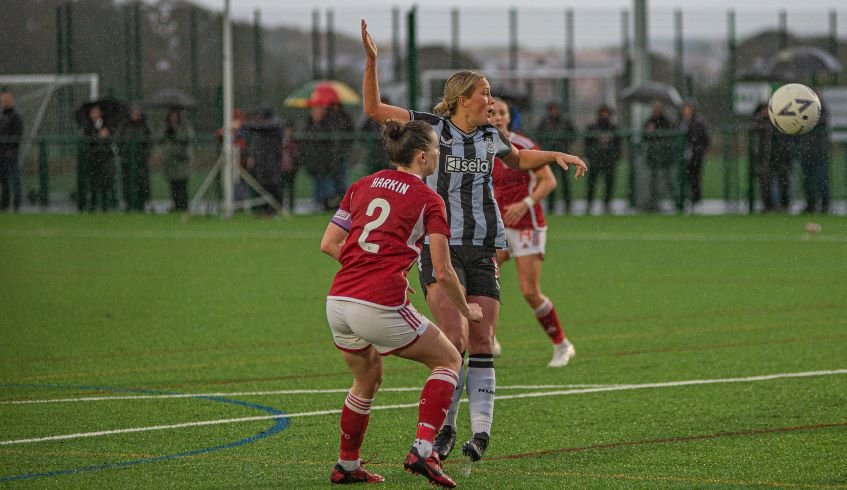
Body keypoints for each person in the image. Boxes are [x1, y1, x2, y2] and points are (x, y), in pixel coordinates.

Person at [361, 19, 587, 464]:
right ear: (464, 99)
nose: (492, 100)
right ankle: (443, 431)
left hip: (484, 248)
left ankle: (480, 433)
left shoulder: (489, 136)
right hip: (441, 248)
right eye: (485, 93)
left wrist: (556, 155)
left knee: (482, 343)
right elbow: (373, 108)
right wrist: (371, 60)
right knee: (452, 342)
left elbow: (519, 158)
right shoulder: (430, 129)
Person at [320, 119, 483, 488]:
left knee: (367, 378)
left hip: (339, 301)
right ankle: (424, 449)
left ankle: (346, 465)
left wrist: (368, 269)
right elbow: (442, 271)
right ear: (422, 156)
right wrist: (466, 309)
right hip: (377, 304)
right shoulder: (429, 199)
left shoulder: (362, 185)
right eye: (437, 149)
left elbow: (329, 243)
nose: (440, 154)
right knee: (449, 360)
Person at [490, 98, 576, 368]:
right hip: (498, 226)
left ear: (509, 117)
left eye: (502, 112)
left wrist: (524, 204)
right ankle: (488, 338)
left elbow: (548, 181)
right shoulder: (481, 146)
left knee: (529, 291)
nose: (498, 117)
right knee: (482, 281)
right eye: (492, 113)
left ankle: (562, 344)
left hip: (527, 223)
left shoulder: (524, 146)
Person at [535, 102, 577, 214]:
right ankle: (551, 205)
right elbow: (538, 134)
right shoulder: (545, 122)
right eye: (551, 109)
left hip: (563, 155)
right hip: (550, 156)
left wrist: (565, 146)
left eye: (555, 109)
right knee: (550, 180)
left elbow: (573, 134)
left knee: (565, 181)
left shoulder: (564, 121)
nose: (553, 111)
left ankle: (568, 205)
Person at [243, 106, 283, 217]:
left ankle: (274, 209)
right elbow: (255, 142)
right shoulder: (262, 127)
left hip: (271, 160)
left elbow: (262, 127)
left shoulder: (273, 123)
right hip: (262, 160)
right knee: (263, 185)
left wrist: (243, 124)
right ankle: (266, 209)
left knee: (273, 184)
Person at [583, 104, 622, 215]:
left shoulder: (614, 128)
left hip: (609, 159)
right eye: (602, 112)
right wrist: (589, 156)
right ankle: (589, 204)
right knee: (592, 182)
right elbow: (587, 143)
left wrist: (615, 156)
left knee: (609, 182)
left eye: (606, 112)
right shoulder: (592, 127)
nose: (604, 115)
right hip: (596, 159)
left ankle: (607, 203)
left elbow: (618, 144)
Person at [795, 95, 830, 214]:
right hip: (806, 151)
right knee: (807, 179)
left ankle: (824, 205)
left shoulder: (820, 112)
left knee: (821, 179)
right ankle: (811, 204)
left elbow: (820, 121)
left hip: (818, 151)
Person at [642, 100, 676, 212]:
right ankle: (653, 202)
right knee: (653, 181)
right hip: (653, 156)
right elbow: (644, 137)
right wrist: (649, 132)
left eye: (657, 108)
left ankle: (675, 201)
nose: (655, 110)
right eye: (654, 108)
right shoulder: (649, 121)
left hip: (664, 156)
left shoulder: (666, 121)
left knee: (668, 179)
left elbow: (670, 136)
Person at [118, 105, 152, 212]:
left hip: (141, 161)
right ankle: (128, 204)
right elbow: (120, 142)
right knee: (127, 183)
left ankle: (142, 204)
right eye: (133, 112)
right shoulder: (125, 126)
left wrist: (144, 154)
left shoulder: (144, 126)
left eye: (137, 112)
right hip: (128, 161)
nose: (135, 115)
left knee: (142, 183)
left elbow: (149, 143)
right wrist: (124, 154)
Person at [83, 104, 116, 212]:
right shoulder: (87, 126)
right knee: (93, 183)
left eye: (96, 112)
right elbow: (86, 141)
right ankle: (92, 206)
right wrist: (97, 137)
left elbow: (113, 141)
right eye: (92, 112)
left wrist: (107, 135)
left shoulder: (107, 125)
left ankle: (105, 207)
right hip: (93, 158)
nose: (94, 114)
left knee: (106, 182)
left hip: (105, 158)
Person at [161, 107, 194, 212]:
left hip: (181, 160)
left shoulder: (185, 126)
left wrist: (176, 132)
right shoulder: (166, 126)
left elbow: (188, 137)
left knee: (182, 185)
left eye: (175, 115)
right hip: (170, 161)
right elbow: (160, 138)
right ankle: (175, 205)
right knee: (173, 185)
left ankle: (183, 206)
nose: (173, 118)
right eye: (172, 115)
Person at [679, 102, 710, 211]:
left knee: (695, 177)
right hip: (683, 155)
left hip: (695, 155)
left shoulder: (698, 123)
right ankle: (684, 199)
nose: (686, 112)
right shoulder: (680, 122)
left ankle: (696, 199)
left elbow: (705, 139)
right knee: (684, 178)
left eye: (689, 109)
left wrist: (698, 150)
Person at [0, 90, 23, 212]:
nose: (5, 101)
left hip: (11, 154)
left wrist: (11, 149)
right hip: (1, 154)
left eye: (7, 99)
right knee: (4, 181)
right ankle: (4, 204)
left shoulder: (16, 117)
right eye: (3, 99)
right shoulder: (2, 116)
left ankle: (16, 205)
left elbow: (17, 135)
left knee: (15, 180)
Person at [748, 103, 774, 212]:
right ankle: (764, 205)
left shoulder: (774, 122)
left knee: (772, 182)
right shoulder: (757, 122)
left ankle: (773, 205)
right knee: (763, 182)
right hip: (760, 158)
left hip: (773, 158)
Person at [280, 120, 299, 213]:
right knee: (282, 187)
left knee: (290, 187)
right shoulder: (281, 139)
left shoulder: (294, 140)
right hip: (282, 167)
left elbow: (297, 154)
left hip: (291, 168)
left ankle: (291, 206)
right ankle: (281, 206)